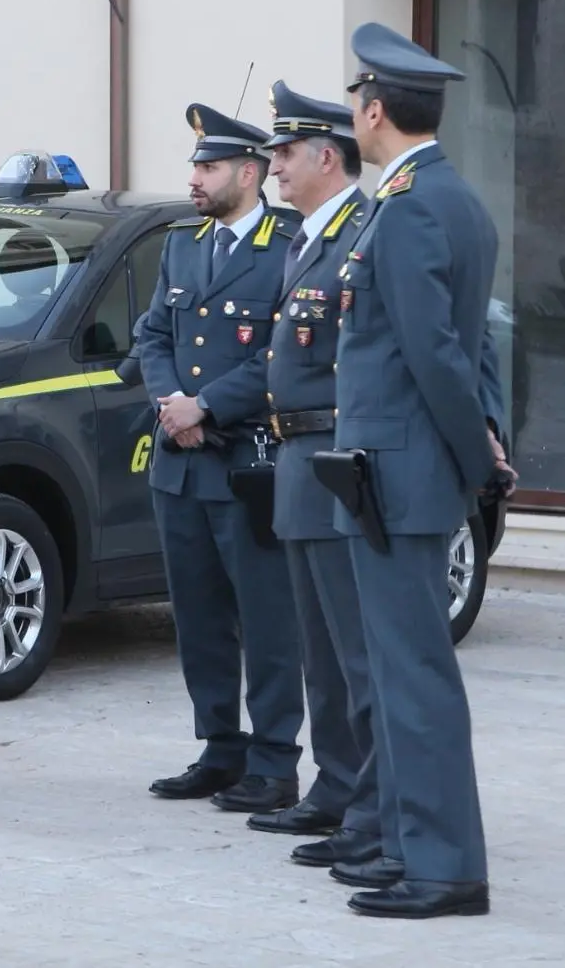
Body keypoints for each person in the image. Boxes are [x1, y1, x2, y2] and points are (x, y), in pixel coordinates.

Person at [331, 23, 510, 919]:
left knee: (411, 678)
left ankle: (442, 869)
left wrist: (474, 457)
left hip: (398, 473)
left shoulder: (408, 208)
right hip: (402, 469)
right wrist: (478, 439)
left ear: (373, 112)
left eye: (354, 108)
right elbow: (468, 346)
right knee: (402, 671)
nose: (350, 122)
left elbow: (434, 353)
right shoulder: (452, 199)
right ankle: (408, 847)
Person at [137, 103, 305, 813]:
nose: (194, 178)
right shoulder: (183, 244)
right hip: (179, 465)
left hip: (245, 463)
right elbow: (150, 334)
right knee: (198, 616)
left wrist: (206, 406)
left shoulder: (288, 244)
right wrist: (171, 402)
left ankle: (273, 761)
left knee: (265, 620)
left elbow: (287, 351)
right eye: (194, 166)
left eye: (207, 167)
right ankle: (219, 747)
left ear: (249, 170)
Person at [241, 81, 391, 872]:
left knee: (355, 647)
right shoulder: (304, 237)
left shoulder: (364, 232)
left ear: (324, 157)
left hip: (340, 454)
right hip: (297, 454)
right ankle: (335, 785)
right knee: (318, 648)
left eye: (283, 153)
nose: (271, 167)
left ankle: (372, 803)